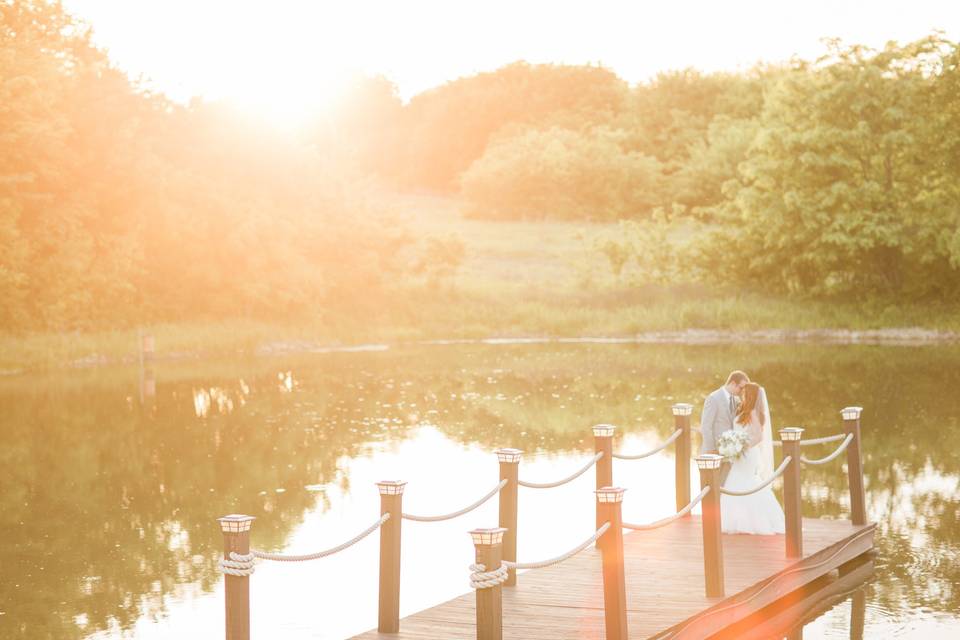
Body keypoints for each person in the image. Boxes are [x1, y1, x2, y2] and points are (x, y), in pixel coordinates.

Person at [719, 382, 785, 535]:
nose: (741, 393)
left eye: (744, 392)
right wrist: (733, 442)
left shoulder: (754, 412)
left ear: (750, 395)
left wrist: (742, 446)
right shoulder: (743, 410)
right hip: (740, 453)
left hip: (747, 454)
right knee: (735, 481)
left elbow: (759, 436)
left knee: (745, 481)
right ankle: (735, 521)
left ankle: (752, 521)